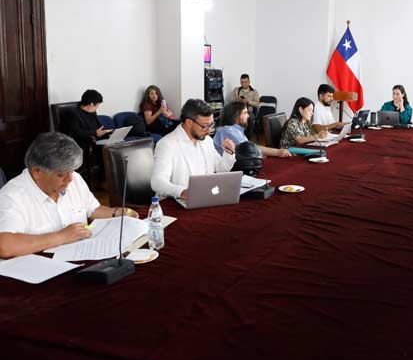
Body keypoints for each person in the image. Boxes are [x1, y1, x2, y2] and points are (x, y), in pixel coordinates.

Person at [0, 132, 138, 259]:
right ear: (37, 171)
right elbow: (5, 246)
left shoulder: (74, 179)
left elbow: (93, 209)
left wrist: (116, 213)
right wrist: (61, 237)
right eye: (61, 174)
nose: (70, 178)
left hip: (80, 258)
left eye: (72, 170)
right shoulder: (11, 196)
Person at [151, 99, 236, 200]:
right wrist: (181, 192)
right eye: (205, 126)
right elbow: (157, 182)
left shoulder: (206, 140)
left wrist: (228, 153)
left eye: (211, 125)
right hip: (175, 203)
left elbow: (221, 168)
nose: (209, 130)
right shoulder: (167, 144)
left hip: (204, 199)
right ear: (189, 122)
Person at [214, 101, 291, 158]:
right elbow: (249, 149)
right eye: (245, 113)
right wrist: (278, 152)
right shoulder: (227, 130)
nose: (248, 116)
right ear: (236, 116)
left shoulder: (236, 129)